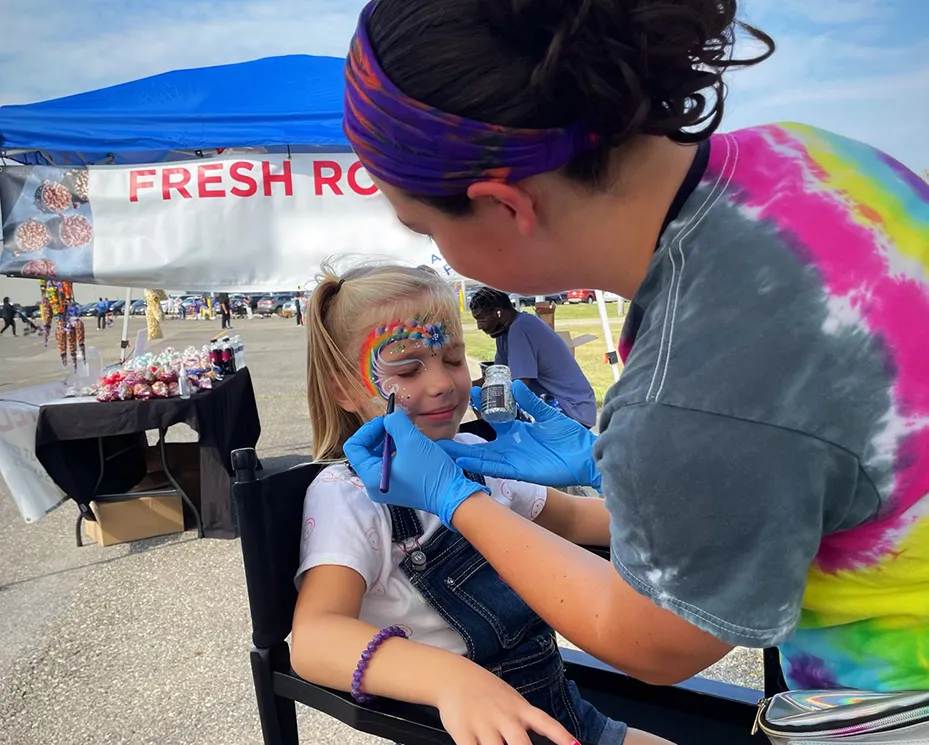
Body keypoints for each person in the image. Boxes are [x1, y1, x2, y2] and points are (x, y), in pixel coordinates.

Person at [339, 0, 929, 713]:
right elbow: (811, 439)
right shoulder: (805, 155)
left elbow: (656, 642)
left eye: (422, 226)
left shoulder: (697, 380)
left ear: (505, 205)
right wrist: (618, 469)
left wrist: (454, 498)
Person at [295, 263, 671, 745]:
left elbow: (581, 520)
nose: (442, 384)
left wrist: (605, 470)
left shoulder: (480, 459)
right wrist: (449, 680)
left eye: (453, 359)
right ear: (344, 389)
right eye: (408, 368)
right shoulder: (348, 495)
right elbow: (314, 637)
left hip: (566, 715)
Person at [469, 287, 596, 428]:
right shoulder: (504, 333)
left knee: (500, 406)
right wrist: (463, 388)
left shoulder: (521, 328)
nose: (479, 326)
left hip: (572, 410)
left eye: (481, 319)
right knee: (481, 398)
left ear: (498, 312)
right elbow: (496, 378)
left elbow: (520, 385)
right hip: (569, 405)